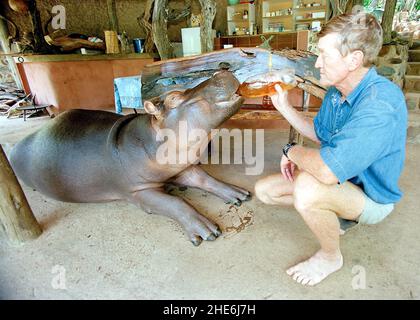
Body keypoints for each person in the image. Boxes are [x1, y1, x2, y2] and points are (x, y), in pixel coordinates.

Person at [255, 13, 407, 286]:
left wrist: (291, 151)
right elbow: (319, 133)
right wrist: (284, 107)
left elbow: (326, 172)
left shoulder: (380, 104)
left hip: (372, 197)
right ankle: (335, 214)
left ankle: (330, 256)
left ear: (354, 60)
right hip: (344, 181)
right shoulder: (337, 92)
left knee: (308, 188)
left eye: (325, 55)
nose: (317, 63)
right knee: (265, 191)